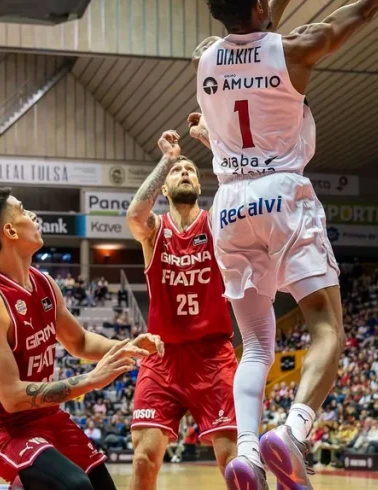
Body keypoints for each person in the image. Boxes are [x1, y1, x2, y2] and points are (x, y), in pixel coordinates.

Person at [192, 0, 378, 490]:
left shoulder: (207, 61)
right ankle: (291, 434)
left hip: (228, 207)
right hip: (280, 195)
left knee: (256, 347)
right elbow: (362, 10)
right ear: (261, 7)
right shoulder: (294, 50)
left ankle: (245, 450)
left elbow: (252, 42)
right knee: (327, 330)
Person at [0, 188, 162, 490]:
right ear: (10, 231)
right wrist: (92, 380)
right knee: (74, 486)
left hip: (48, 418)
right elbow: (13, 398)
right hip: (2, 429)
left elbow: (79, 342)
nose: (33, 216)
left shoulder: (44, 283)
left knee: (102, 486)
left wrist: (129, 347)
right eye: (24, 210)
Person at [125, 130, 238, 488]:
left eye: (191, 170)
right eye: (179, 172)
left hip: (213, 355)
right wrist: (168, 160)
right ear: (166, 189)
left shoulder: (216, 222)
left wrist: (215, 145)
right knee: (144, 458)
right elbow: (134, 215)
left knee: (233, 459)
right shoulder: (156, 230)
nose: (185, 172)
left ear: (200, 187)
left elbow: (239, 189)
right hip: (163, 356)